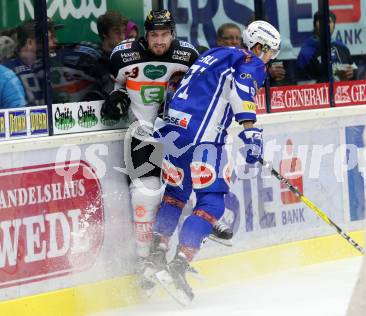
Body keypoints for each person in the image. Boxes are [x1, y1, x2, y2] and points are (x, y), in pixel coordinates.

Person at [144, 20, 281, 304]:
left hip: (171, 131)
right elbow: (244, 91)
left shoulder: (211, 54)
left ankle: (155, 256)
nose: (269, 61)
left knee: (176, 196)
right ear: (260, 47)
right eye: (270, 53)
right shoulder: (250, 60)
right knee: (212, 202)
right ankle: (178, 265)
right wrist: (251, 132)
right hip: (202, 140)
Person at [103, 9, 200, 289]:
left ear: (173, 34)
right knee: (145, 193)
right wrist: (116, 97)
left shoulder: (189, 56)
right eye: (154, 35)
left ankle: (170, 254)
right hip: (142, 132)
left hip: (175, 136)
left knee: (181, 195)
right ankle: (144, 260)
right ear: (145, 35)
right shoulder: (122, 56)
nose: (159, 41)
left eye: (164, 35)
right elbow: (116, 86)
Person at [3, 20, 57, 105]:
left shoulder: (6, 69)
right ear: (30, 42)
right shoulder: (5, 72)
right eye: (48, 38)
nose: (53, 42)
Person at [296, 11, 355, 83]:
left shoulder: (343, 47)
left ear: (334, 26)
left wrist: (352, 72)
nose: (325, 24)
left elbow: (353, 71)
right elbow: (302, 85)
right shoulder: (306, 52)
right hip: (320, 93)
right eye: (321, 21)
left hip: (343, 92)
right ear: (314, 25)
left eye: (329, 21)